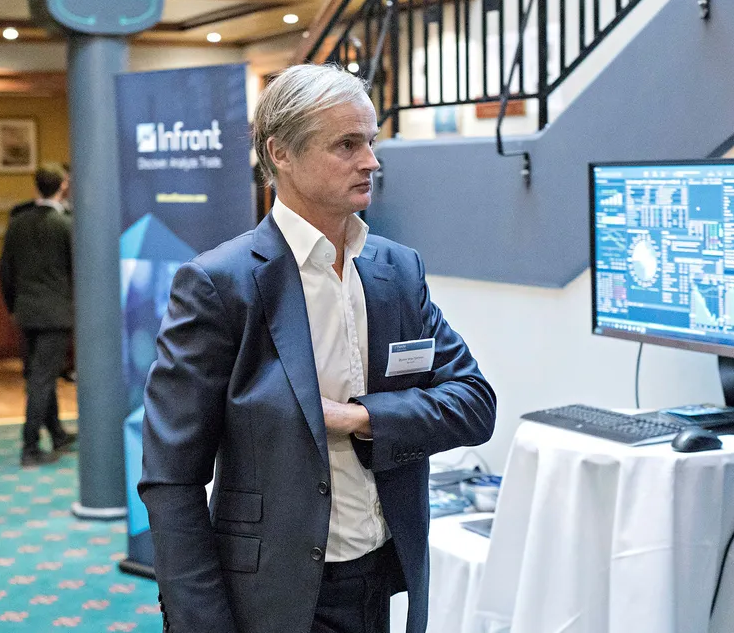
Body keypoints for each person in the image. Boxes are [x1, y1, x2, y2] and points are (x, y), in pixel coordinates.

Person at [139, 64, 496, 633]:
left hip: (382, 579)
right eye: (347, 145)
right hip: (273, 594)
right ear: (281, 153)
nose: (371, 161)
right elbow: (171, 478)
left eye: (371, 141)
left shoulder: (397, 270)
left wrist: (361, 418)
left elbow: (474, 404)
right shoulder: (220, 285)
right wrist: (201, 623)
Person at [0, 162, 77, 467]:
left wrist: (13, 306)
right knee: (42, 379)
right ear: (63, 186)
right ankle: (30, 446)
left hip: (26, 312)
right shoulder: (66, 225)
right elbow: (77, 270)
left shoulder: (17, 223)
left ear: (36, 187)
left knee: (39, 375)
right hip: (56, 314)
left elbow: (5, 271)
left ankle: (56, 433)